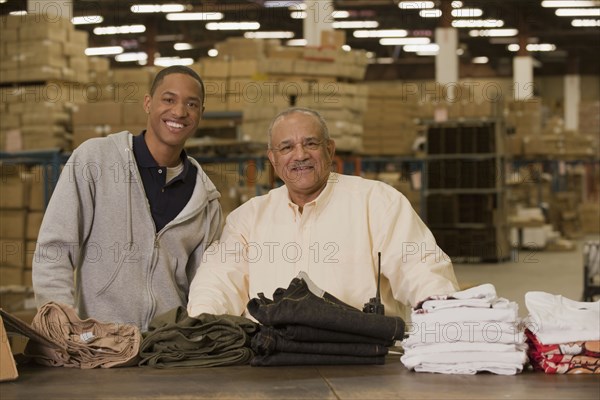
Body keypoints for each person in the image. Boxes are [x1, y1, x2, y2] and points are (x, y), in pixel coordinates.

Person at [187, 107, 458, 320]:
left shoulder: (378, 203)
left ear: (329, 150)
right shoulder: (247, 219)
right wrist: (201, 328)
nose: (300, 155)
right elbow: (218, 282)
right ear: (273, 159)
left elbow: (420, 268)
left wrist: (445, 316)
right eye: (287, 147)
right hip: (269, 365)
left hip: (364, 362)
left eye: (311, 144)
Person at [33, 66, 223, 331]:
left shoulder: (206, 199)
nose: (179, 112)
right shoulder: (95, 161)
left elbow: (205, 285)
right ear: (148, 103)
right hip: (100, 346)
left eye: (191, 104)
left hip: (166, 352)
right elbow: (54, 250)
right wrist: (63, 327)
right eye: (168, 100)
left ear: (201, 113)